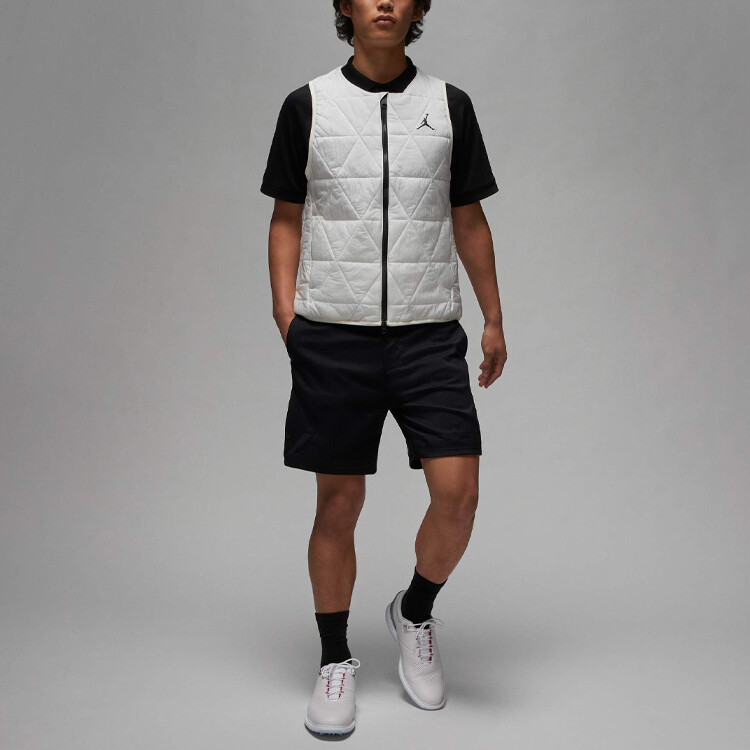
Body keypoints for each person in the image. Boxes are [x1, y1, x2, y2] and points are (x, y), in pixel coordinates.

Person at [261, 0, 507, 736]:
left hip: (428, 334)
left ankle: (414, 611)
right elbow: (286, 216)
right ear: (344, 6)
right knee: (338, 505)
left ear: (420, 8)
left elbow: (469, 217)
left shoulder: (449, 105)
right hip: (334, 338)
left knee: (458, 495)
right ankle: (334, 660)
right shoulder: (307, 105)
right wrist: (287, 315)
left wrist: (493, 317)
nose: (386, 3)